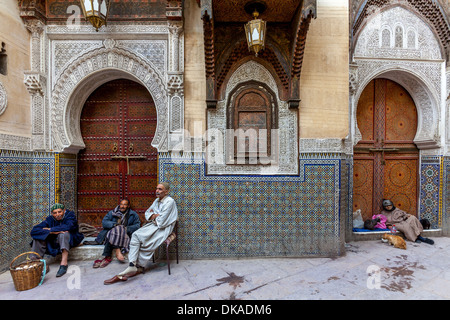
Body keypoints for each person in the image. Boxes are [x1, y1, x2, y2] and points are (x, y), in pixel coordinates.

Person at [104, 182, 178, 284]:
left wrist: (155, 216)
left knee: (141, 239)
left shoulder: (170, 202)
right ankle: (132, 265)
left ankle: (135, 266)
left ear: (167, 191)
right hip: (153, 225)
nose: (157, 191)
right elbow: (147, 213)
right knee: (135, 235)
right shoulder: (156, 201)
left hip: (163, 228)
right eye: (157, 189)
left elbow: (162, 220)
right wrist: (155, 216)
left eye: (160, 189)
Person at [30, 203, 84, 277]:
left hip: (71, 240)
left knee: (64, 234)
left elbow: (69, 226)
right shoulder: (49, 219)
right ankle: (38, 263)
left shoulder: (70, 216)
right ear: (52, 213)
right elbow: (34, 231)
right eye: (55, 213)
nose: (57, 214)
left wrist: (51, 229)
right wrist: (51, 231)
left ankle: (64, 263)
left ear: (64, 211)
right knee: (38, 237)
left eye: (59, 212)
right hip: (54, 242)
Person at [92, 199, 141, 268]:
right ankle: (118, 250)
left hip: (125, 234)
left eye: (125, 204)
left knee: (118, 229)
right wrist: (115, 225)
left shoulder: (133, 214)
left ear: (128, 206)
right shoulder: (112, 213)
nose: (122, 206)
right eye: (121, 204)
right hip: (111, 233)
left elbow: (137, 225)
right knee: (115, 230)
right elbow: (104, 222)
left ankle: (107, 257)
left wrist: (126, 229)